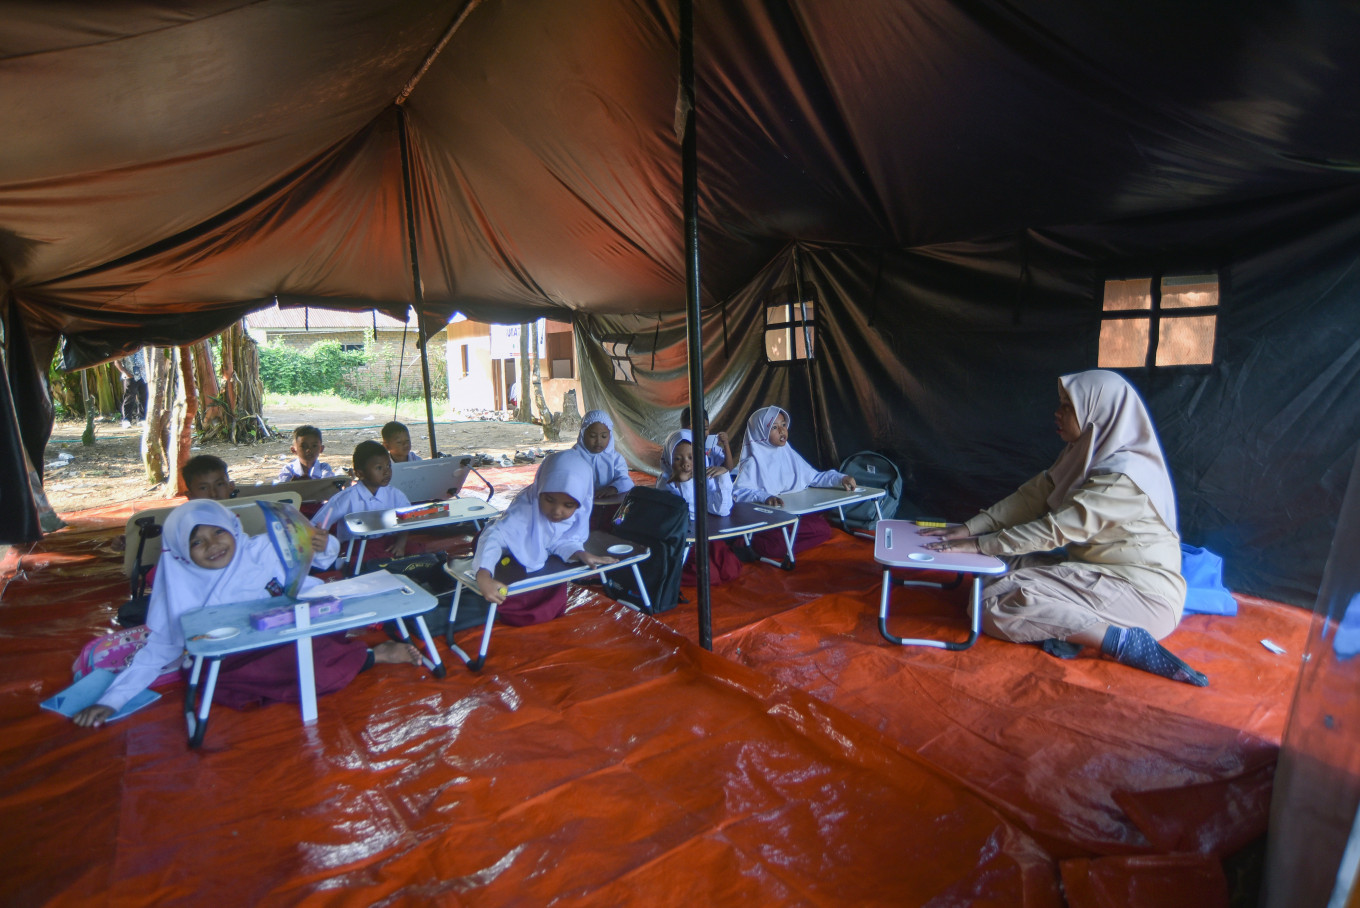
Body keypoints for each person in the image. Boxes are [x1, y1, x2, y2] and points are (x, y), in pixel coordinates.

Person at [922, 369, 1206, 686]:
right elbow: (1034, 497)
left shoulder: (1122, 477)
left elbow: (1055, 531)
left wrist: (979, 544)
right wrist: (971, 528)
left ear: (1097, 410)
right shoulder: (1086, 451)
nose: (1057, 413)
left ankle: (1119, 641)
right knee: (995, 571)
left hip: (1142, 596)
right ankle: (1066, 628)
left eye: (1068, 406)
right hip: (1098, 572)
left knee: (991, 606)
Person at [72, 499, 419, 728]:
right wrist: (112, 700)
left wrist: (321, 543)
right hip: (240, 655)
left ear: (233, 528)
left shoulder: (262, 549)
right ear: (179, 550)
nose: (212, 545)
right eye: (197, 542)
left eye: (217, 532)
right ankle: (370, 657)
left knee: (310, 645)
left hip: (290, 630)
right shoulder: (178, 581)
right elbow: (162, 646)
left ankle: (363, 656)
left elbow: (324, 559)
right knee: (223, 675)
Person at [472, 451, 616, 626]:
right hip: (500, 553)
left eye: (568, 505)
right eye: (549, 499)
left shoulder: (574, 514)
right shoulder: (523, 510)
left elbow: (559, 540)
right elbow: (494, 537)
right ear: (540, 488)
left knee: (552, 594)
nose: (557, 511)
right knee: (518, 605)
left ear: (581, 502)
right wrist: (484, 574)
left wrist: (578, 552)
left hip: (538, 559)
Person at [733, 406, 855, 560]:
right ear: (760, 432)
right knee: (786, 541)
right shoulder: (753, 461)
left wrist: (840, 478)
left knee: (822, 529)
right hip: (766, 520)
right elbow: (738, 493)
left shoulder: (788, 453)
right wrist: (765, 497)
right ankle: (753, 544)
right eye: (774, 427)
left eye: (783, 425)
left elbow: (814, 477)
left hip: (789, 513)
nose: (782, 431)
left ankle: (770, 545)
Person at [656, 429, 741, 584]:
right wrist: (685, 483)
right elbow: (691, 515)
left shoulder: (703, 475)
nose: (685, 464)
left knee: (731, 569)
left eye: (691, 457)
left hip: (704, 535)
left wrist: (723, 475)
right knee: (710, 576)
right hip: (682, 541)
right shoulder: (666, 484)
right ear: (669, 460)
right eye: (677, 459)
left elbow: (722, 510)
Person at [311, 440, 413, 561]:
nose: (387, 472)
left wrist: (400, 544)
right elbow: (317, 524)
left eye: (388, 466)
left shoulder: (395, 495)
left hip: (387, 548)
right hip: (354, 551)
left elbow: (408, 520)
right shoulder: (345, 498)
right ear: (360, 473)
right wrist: (325, 543)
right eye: (379, 468)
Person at [573, 410, 635, 499]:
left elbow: (625, 480)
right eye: (592, 436)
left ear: (610, 436)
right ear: (583, 434)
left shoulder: (615, 458)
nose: (598, 441)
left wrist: (613, 489)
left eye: (604, 436)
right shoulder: (574, 457)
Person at [680, 406, 737, 475]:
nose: (701, 433)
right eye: (695, 430)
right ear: (684, 431)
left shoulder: (711, 447)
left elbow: (729, 468)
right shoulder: (680, 449)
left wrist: (726, 444)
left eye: (705, 429)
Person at [114, 348, 147, 429]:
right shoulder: (125, 348)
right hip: (130, 375)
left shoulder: (143, 347)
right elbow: (117, 362)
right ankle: (126, 420)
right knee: (129, 398)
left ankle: (142, 419)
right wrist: (126, 373)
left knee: (144, 397)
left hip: (144, 375)